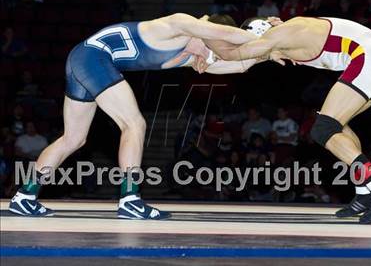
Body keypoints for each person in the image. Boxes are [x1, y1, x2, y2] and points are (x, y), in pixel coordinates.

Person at [8, 13, 258, 219]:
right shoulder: (179, 24)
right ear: (208, 32)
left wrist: (271, 54)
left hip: (82, 59)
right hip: (94, 59)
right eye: (214, 45)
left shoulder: (188, 54)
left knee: (73, 138)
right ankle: (130, 199)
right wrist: (269, 37)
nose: (212, 54)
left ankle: (24, 196)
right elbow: (226, 36)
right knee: (134, 124)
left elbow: (236, 65)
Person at [190, 15, 371, 223]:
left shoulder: (279, 34)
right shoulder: (284, 35)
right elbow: (244, 64)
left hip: (370, 58)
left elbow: (234, 55)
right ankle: (365, 191)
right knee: (337, 126)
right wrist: (205, 62)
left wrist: (202, 35)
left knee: (323, 129)